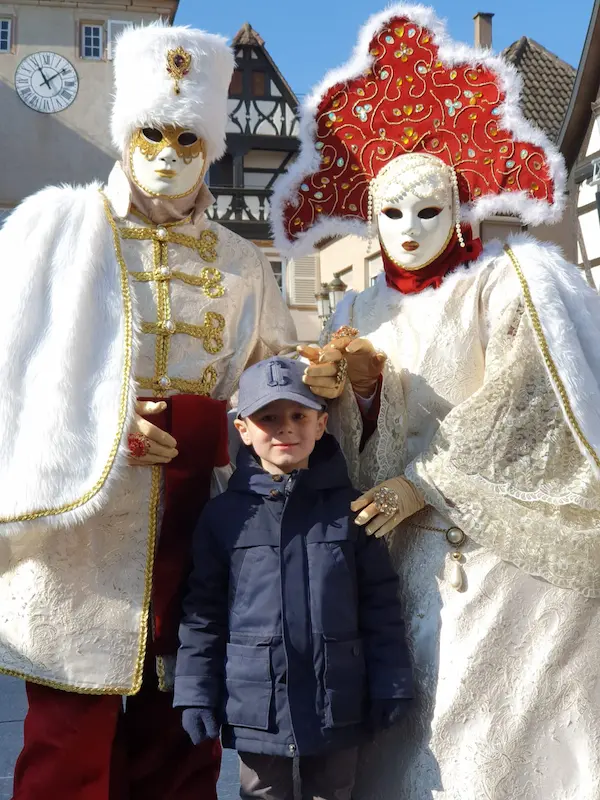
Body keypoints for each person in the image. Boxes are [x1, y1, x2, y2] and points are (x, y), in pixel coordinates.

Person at [272, 5, 600, 799]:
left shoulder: (516, 276)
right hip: (398, 551)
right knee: (412, 718)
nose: (409, 230)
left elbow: (535, 401)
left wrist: (428, 482)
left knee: (489, 725)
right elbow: (351, 448)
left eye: (428, 209)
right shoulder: (356, 309)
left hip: (503, 550)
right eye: (391, 213)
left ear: (459, 203)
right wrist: (360, 393)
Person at [0, 22, 295, 800]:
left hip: (198, 532)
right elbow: (11, 370)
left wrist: (207, 432)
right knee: (67, 752)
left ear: (211, 148)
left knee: (181, 743)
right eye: (151, 133)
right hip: (77, 540)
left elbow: (276, 388)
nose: (167, 153)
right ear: (125, 135)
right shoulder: (52, 231)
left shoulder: (242, 262)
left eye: (187, 139)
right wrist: (101, 422)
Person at [174, 356, 413, 800]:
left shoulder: (351, 512)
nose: (285, 428)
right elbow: (203, 612)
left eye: (299, 415)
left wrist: (391, 683)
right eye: (268, 416)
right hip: (257, 704)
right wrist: (195, 693)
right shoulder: (225, 516)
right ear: (242, 428)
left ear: (321, 424)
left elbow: (380, 604)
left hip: (336, 698)